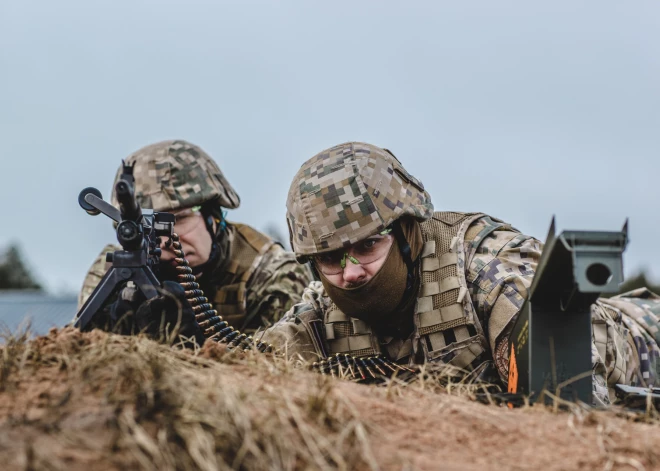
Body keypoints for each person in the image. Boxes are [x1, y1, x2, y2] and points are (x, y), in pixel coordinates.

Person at [260, 141, 660, 405]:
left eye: (367, 246)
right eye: (330, 259)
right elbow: (246, 370)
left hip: (644, 343)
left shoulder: (488, 267)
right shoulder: (319, 311)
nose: (350, 275)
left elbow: (570, 404)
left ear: (406, 234)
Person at [77, 139, 311, 335]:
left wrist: (198, 342)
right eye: (146, 226)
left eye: (178, 219)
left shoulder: (270, 273)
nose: (165, 240)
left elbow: (281, 370)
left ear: (213, 216)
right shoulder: (114, 272)